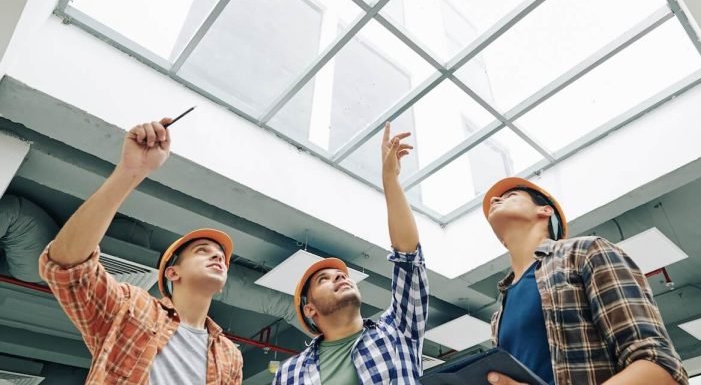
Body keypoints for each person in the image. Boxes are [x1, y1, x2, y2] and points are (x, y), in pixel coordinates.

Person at [39, 118, 243, 384]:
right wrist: (129, 171)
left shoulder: (230, 355)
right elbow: (67, 268)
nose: (217, 256)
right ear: (172, 272)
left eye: (221, 256)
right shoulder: (133, 306)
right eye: (202, 251)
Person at [481, 177, 688, 385]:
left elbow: (659, 368)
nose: (495, 200)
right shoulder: (499, 314)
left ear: (545, 210)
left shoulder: (585, 252)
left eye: (510, 196)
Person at [273, 122, 428, 384]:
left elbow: (409, 258)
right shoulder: (291, 373)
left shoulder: (398, 330)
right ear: (310, 310)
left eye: (341, 275)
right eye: (324, 279)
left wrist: (390, 180)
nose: (340, 277)